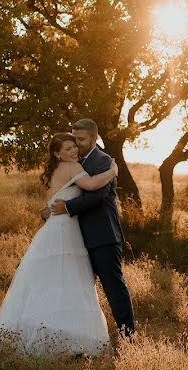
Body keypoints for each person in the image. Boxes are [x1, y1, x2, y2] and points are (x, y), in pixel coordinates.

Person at [0, 132, 118, 356]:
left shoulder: (54, 171)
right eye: (67, 149)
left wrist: (46, 212)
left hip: (52, 229)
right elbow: (93, 185)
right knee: (68, 280)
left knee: (49, 281)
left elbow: (48, 205)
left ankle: (45, 333)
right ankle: (65, 338)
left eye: (74, 147)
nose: (73, 151)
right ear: (58, 154)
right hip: (65, 230)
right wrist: (113, 171)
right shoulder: (72, 168)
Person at [45, 118, 136, 339]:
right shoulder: (69, 161)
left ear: (94, 138)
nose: (76, 144)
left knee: (113, 288)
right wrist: (47, 210)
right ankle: (77, 338)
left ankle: (129, 337)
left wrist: (66, 206)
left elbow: (97, 196)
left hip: (102, 235)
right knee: (77, 290)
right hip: (75, 237)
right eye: (73, 139)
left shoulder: (103, 161)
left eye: (81, 139)